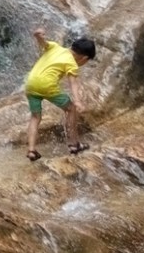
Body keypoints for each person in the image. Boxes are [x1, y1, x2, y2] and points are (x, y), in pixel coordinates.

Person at [23, 26, 96, 161]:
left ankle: (31, 150)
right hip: (46, 85)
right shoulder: (71, 63)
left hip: (30, 84)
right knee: (71, 108)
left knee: (35, 117)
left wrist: (39, 37)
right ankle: (74, 144)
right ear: (84, 58)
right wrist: (78, 101)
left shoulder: (55, 47)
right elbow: (73, 83)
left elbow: (43, 43)